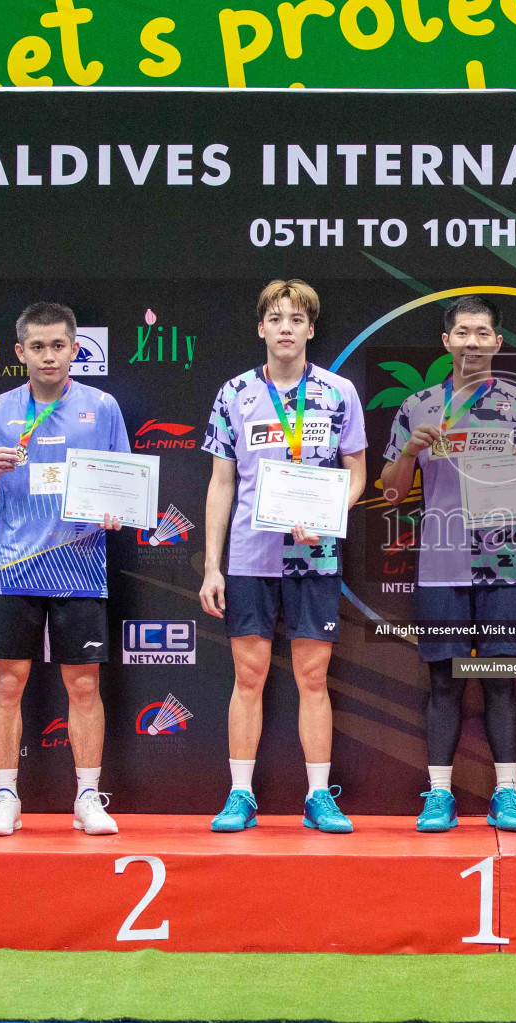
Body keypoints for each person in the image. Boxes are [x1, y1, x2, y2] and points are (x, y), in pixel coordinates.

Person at [199, 279, 367, 833]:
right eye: (277, 318)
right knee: (248, 676)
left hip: (314, 557)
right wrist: (211, 566)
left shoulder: (339, 392)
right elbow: (222, 483)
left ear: (311, 329)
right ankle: (240, 793)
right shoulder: (234, 393)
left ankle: (319, 795)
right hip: (250, 557)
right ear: (261, 328)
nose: (287, 328)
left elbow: (357, 475)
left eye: (297, 319)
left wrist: (323, 517)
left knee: (312, 676)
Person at [379, 296, 516, 833]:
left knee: (502, 681)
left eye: (483, 333)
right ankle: (438, 795)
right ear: (446, 341)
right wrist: (408, 451)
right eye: (463, 332)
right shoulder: (420, 405)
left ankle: (507, 794)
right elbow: (388, 492)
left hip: (506, 567)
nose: (472, 342)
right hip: (442, 567)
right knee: (445, 683)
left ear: (498, 343)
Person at [0, 302, 130, 837]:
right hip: (14, 569)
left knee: (83, 686)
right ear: (19, 352)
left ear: (75, 348)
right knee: (7, 683)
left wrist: (117, 511)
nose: (49, 356)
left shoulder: (103, 407)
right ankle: (6, 797)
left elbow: (125, 488)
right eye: (37, 346)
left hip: (80, 568)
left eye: (59, 345)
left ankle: (87, 796)